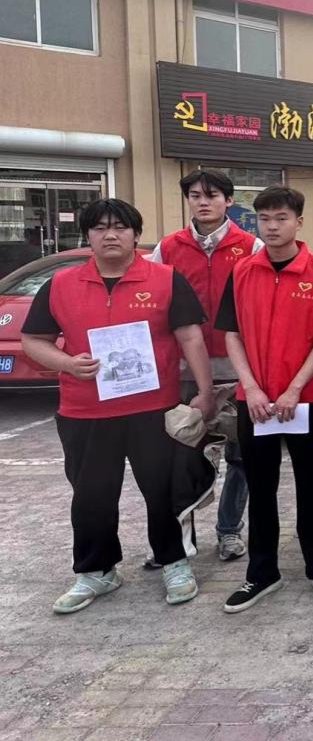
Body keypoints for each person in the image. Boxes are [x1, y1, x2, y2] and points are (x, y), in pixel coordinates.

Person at [21, 199, 214, 613]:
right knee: (91, 495)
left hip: (154, 408)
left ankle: (174, 562)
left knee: (163, 491)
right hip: (85, 410)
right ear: (87, 236)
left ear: (136, 235)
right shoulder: (60, 285)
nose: (110, 235)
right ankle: (97, 571)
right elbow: (33, 341)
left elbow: (190, 337)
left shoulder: (166, 279)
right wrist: (67, 363)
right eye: (100, 228)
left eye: (120, 227)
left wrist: (205, 391)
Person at [216, 186, 313, 613]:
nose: (272, 227)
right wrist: (251, 388)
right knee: (260, 486)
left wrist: (295, 388)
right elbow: (232, 334)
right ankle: (261, 572)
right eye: (265, 219)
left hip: (307, 400)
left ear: (299, 222)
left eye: (281, 218)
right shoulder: (242, 271)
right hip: (255, 402)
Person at [151, 168, 262, 563]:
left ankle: (229, 531)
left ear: (228, 201)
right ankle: (180, 540)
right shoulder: (168, 248)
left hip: (238, 368)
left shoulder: (251, 247)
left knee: (241, 459)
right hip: (184, 372)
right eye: (195, 195)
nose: (203, 202)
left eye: (212, 195)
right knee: (181, 458)